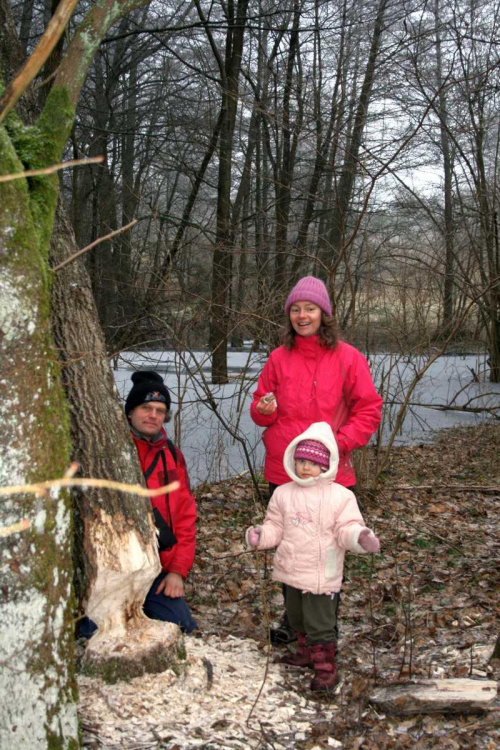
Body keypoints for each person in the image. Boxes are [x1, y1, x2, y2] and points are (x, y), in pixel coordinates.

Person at [250, 275, 382, 642]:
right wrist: (263, 409)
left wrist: (339, 445)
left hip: (333, 475)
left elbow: (368, 409)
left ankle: (323, 629)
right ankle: (295, 626)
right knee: (290, 548)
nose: (302, 316)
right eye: (295, 309)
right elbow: (261, 411)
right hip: (285, 470)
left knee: (328, 551)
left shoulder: (348, 357)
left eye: (310, 309)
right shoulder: (278, 358)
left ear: (324, 314)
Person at [245, 422, 380, 692]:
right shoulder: (283, 494)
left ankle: (325, 668)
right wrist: (260, 536)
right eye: (301, 460)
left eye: (313, 462)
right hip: (291, 568)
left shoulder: (340, 496)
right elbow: (275, 526)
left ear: (326, 465)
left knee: (320, 622)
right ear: (293, 461)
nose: (306, 467)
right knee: (296, 616)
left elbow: (347, 527)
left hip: (322, 572)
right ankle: (306, 653)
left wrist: (360, 537)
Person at [79, 370, 197, 637]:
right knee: (92, 636)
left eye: (159, 409)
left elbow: (186, 518)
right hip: (113, 571)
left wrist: (177, 571)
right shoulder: (109, 452)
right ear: (130, 412)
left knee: (184, 629)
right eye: (146, 407)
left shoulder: (172, 456)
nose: (153, 415)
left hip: (158, 569)